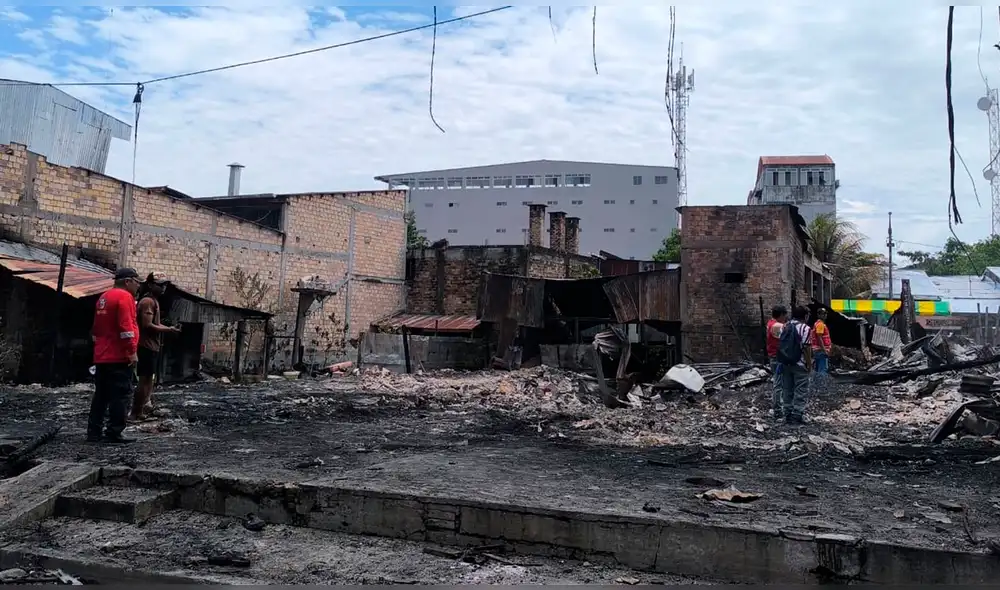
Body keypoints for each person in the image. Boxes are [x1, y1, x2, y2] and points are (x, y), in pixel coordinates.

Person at [88, 267, 141, 443]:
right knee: (121, 394)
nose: (138, 286)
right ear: (128, 281)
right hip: (119, 356)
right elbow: (126, 328)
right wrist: (131, 352)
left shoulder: (104, 297)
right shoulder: (125, 297)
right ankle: (114, 432)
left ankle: (94, 432)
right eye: (136, 282)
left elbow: (96, 328)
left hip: (102, 356)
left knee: (101, 395)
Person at [132, 272, 181, 421]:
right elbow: (147, 325)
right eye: (160, 285)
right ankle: (135, 412)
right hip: (145, 346)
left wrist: (168, 328)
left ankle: (143, 408)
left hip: (152, 346)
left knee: (148, 379)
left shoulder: (154, 301)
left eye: (165, 284)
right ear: (151, 284)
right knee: (144, 379)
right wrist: (169, 330)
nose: (163, 288)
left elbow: (155, 324)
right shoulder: (147, 301)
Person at [776, 305, 813, 426]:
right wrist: (809, 364)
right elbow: (807, 348)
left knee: (787, 389)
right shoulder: (805, 328)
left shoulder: (785, 326)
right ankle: (797, 414)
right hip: (800, 363)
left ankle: (787, 413)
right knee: (801, 389)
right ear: (805, 316)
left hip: (786, 362)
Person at [766, 305, 788, 422]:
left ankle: (779, 407)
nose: (786, 318)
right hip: (778, 358)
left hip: (774, 356)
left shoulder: (770, 323)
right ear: (781, 315)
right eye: (785, 315)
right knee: (778, 384)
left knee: (779, 382)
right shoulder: (777, 326)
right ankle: (778, 410)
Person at [810, 308, 832, 390]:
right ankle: (821, 387)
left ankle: (816, 386)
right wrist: (824, 350)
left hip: (817, 350)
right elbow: (819, 337)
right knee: (822, 369)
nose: (825, 315)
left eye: (825, 313)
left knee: (818, 368)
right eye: (823, 314)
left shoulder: (817, 324)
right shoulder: (820, 325)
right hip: (820, 350)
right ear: (818, 315)